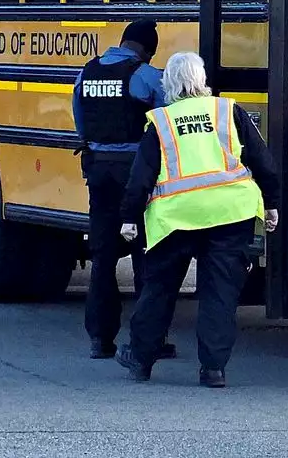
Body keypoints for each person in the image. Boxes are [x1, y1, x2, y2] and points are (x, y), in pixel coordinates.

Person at [116, 51, 281, 388]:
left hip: (176, 218)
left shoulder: (161, 122)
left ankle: (141, 360)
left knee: (158, 289)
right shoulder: (227, 111)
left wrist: (130, 218)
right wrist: (271, 204)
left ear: (169, 85)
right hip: (229, 213)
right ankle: (213, 369)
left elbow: (140, 178)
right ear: (202, 80)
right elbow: (262, 159)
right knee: (219, 292)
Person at [72, 18, 176, 361]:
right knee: (146, 255)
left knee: (102, 258)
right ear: (148, 48)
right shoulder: (145, 75)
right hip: (136, 175)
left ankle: (100, 340)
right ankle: (149, 341)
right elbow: (168, 119)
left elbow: (82, 123)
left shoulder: (87, 73)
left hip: (99, 172)